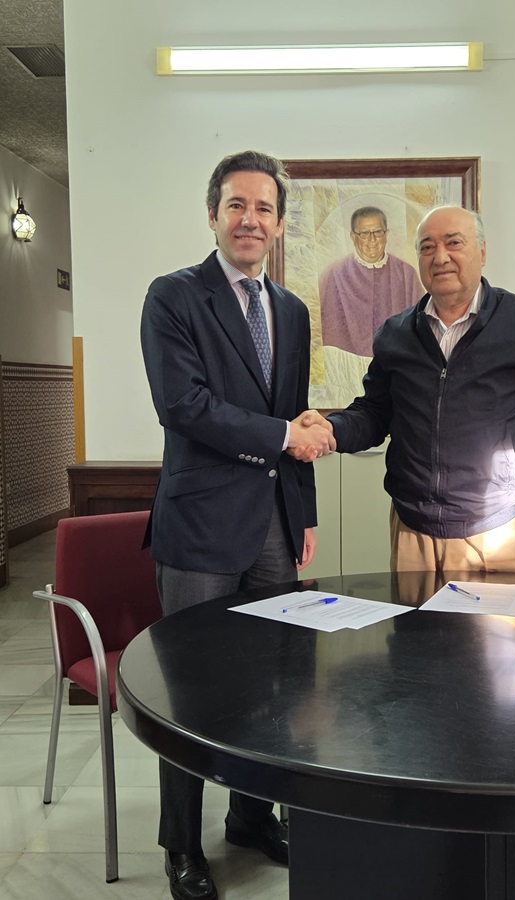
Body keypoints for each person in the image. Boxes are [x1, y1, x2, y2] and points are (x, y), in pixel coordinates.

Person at [141, 149, 334, 900]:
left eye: (263, 208)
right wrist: (285, 437)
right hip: (198, 530)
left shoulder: (292, 310)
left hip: (274, 530)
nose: (250, 219)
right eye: (236, 205)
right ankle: (181, 845)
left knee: (274, 686)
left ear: (279, 225)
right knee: (190, 695)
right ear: (213, 215)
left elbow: (294, 414)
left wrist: (302, 511)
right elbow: (183, 406)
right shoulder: (174, 297)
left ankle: (251, 817)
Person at [299, 206, 515, 574]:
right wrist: (331, 429)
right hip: (413, 530)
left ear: (482, 251)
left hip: (502, 528)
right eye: (427, 247)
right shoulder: (396, 334)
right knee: (411, 616)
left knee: (508, 617)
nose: (440, 257)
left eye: (454, 243)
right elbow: (374, 413)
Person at [319, 206, 424, 357]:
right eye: (364, 233)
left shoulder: (407, 274)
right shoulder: (334, 274)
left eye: (378, 232)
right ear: (353, 237)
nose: (372, 239)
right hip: (348, 364)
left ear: (386, 234)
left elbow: (420, 327)